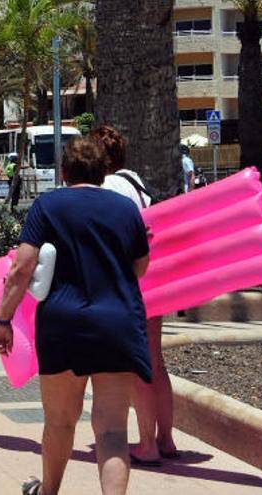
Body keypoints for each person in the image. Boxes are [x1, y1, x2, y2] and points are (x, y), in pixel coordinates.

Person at [0, 136, 151, 495]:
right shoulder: (125, 209)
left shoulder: (48, 205)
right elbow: (140, 266)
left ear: (64, 172)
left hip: (63, 324)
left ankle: (48, 492)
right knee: (111, 430)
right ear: (103, 173)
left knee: (61, 421)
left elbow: (22, 267)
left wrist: (3, 320)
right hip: (117, 322)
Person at [93, 125, 175, 466]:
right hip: (153, 280)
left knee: (137, 365)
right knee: (156, 361)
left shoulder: (109, 186)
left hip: (130, 284)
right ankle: (165, 439)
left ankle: (147, 446)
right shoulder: (135, 182)